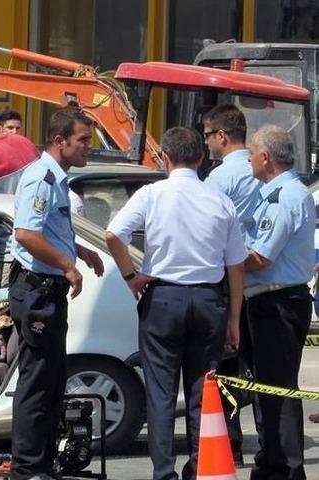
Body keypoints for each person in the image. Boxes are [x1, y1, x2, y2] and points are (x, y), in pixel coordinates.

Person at [106, 127, 246, 480]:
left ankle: (163, 471)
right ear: (201, 159)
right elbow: (235, 266)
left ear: (164, 157)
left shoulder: (152, 194)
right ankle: (200, 465)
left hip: (163, 297)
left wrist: (130, 276)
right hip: (208, 299)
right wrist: (233, 319)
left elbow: (113, 233)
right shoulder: (219, 200)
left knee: (161, 392)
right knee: (203, 390)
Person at [9, 105, 104, 480]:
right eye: (82, 141)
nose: (88, 148)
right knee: (37, 384)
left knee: (51, 382)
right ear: (59, 140)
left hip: (48, 292)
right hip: (38, 291)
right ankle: (28, 470)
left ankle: (42, 465)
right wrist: (67, 266)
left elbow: (49, 230)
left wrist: (80, 251)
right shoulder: (41, 179)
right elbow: (27, 234)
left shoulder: (56, 177)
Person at [243, 125, 314, 480]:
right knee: (266, 388)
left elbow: (261, 258)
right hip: (270, 301)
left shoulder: (284, 197)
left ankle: (286, 469)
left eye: (252, 153)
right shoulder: (273, 193)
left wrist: (224, 262)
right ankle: (271, 460)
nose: (250, 159)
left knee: (279, 388)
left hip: (279, 303)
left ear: (266, 158)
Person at [201, 103, 260, 466]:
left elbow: (206, 231)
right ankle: (269, 448)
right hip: (262, 281)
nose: (206, 143)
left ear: (222, 136)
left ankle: (230, 445)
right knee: (259, 370)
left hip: (226, 280)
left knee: (224, 369)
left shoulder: (219, 179)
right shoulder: (262, 169)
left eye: (208, 135)